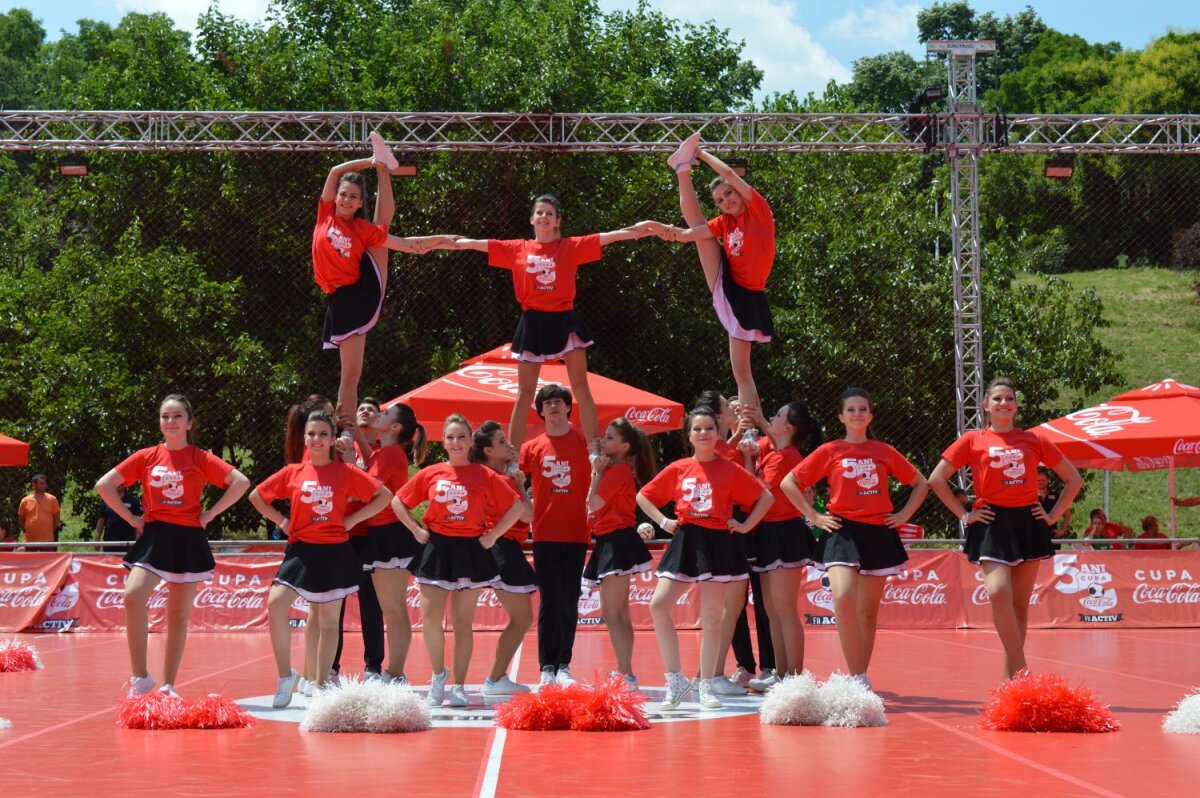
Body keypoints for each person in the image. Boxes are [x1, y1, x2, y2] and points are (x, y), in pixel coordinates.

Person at [450, 197, 660, 449]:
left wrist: (643, 228)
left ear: (557, 220)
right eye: (539, 213)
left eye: (549, 213)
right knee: (524, 394)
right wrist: (435, 241)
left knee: (581, 386)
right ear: (531, 219)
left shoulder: (570, 246)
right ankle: (513, 457)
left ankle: (594, 449)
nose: (544, 217)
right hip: (533, 322)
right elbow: (470, 244)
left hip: (565, 319)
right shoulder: (517, 248)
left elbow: (611, 236)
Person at [95, 394, 250, 698]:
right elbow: (104, 484)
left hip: (189, 536)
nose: (171, 421)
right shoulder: (146, 456)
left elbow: (241, 482)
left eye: (177, 416)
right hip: (155, 535)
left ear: (189, 422)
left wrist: (210, 514)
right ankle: (140, 677)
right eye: (165, 416)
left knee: (177, 615)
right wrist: (132, 518)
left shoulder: (200, 458)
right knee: (133, 595)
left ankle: (168, 685)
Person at [929, 377, 1082, 680]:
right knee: (998, 592)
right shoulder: (973, 440)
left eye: (1009, 398)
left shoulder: (1034, 440)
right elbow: (936, 478)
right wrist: (964, 514)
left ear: (1016, 406)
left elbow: (1073, 479)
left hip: (1028, 522)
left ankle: (1010, 682)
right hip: (990, 522)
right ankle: (1023, 671)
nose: (1004, 403)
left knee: (1020, 607)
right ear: (985, 405)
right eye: (997, 398)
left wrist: (1052, 515)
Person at [781, 388, 928, 690]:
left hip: (878, 531)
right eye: (851, 410)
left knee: (868, 611)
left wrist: (902, 515)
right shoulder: (830, 450)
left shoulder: (883, 450)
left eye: (863, 409)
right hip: (841, 530)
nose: (857, 414)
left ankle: (859, 676)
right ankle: (855, 676)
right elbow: (789, 483)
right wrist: (813, 515)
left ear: (870, 415)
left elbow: (920, 484)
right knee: (843, 596)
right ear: (841, 416)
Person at [249, 409, 393, 708]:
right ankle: (285, 676)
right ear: (305, 438)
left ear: (332, 440)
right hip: (301, 550)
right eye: (312, 434)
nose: (316, 439)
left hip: (335, 550)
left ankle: (323, 683)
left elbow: (384, 496)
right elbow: (257, 496)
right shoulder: (293, 472)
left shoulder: (346, 473)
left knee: (329, 622)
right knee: (275, 604)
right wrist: (282, 521)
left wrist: (353, 521)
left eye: (323, 434)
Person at [637, 407, 774, 711]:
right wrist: (662, 521)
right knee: (658, 605)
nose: (703, 433)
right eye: (697, 429)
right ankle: (675, 679)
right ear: (689, 435)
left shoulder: (728, 469)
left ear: (717, 432)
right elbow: (643, 496)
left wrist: (745, 526)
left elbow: (765, 497)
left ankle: (707, 684)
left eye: (709, 428)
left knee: (713, 617)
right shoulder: (679, 467)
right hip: (686, 539)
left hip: (718, 542)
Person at [312, 144, 456, 421]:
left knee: (350, 375)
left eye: (353, 197)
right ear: (335, 197)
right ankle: (383, 165)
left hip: (357, 293)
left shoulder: (360, 228)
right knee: (350, 374)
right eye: (343, 194)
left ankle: (346, 430)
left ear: (360, 202)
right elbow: (334, 171)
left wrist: (440, 241)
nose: (346, 199)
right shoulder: (325, 214)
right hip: (338, 299)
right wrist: (371, 160)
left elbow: (402, 243)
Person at [393, 414, 526, 708]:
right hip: (437, 548)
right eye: (450, 437)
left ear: (470, 441)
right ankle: (438, 677)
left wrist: (493, 537)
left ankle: (460, 685)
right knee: (430, 621)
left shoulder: (485, 475)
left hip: (471, 550)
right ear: (444, 440)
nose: (456, 442)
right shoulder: (431, 473)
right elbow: (397, 502)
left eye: (461, 436)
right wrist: (416, 530)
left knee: (462, 623)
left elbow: (517, 507)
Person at [660, 135, 776, 417]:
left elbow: (726, 173)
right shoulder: (725, 222)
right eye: (719, 200)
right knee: (742, 373)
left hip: (749, 296)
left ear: (739, 191)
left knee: (742, 373)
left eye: (729, 194)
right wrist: (656, 229)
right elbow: (688, 234)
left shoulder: (757, 210)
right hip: (732, 286)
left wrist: (700, 153)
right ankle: (681, 170)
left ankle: (750, 426)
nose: (725, 201)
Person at [738, 401, 823, 690]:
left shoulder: (786, 456)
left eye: (776, 416)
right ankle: (780, 672)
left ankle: (795, 678)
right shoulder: (773, 453)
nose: (771, 419)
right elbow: (754, 488)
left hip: (783, 532)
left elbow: (755, 493)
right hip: (766, 532)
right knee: (771, 607)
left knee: (784, 608)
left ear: (788, 427)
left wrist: (751, 458)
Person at [513, 384, 593, 688]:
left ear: (569, 407)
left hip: (576, 531)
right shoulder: (532, 447)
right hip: (544, 532)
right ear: (541, 411)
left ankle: (564, 665)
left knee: (568, 599)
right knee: (549, 601)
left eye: (559, 402)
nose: (555, 407)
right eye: (548, 403)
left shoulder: (585, 442)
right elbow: (511, 478)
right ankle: (546, 666)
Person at [695, 389, 773, 692]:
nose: (736, 407)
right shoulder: (718, 450)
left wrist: (749, 432)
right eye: (731, 405)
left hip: (755, 528)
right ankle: (732, 668)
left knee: (758, 601)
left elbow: (756, 484)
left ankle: (768, 666)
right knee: (731, 602)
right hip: (729, 528)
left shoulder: (750, 443)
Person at [585, 417, 658, 690]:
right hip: (613, 540)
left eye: (610, 437)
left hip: (616, 540)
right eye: (605, 436)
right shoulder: (618, 469)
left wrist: (596, 474)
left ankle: (625, 673)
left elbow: (593, 502)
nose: (604, 440)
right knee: (619, 613)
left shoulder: (616, 471)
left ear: (625, 446)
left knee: (613, 613)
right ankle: (625, 671)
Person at [473, 421, 537, 696]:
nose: (509, 445)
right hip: (501, 547)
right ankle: (494, 679)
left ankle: (496, 678)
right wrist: (521, 486)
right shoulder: (495, 478)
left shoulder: (498, 476)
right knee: (522, 618)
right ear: (488, 450)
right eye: (501, 442)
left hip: (505, 547)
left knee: (521, 618)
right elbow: (527, 514)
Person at [94, 483, 142, 554]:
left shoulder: (133, 501)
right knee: (109, 564)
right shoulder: (106, 500)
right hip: (109, 542)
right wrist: (97, 539)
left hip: (128, 542)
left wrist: (138, 542)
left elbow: (138, 523)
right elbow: (100, 522)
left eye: (121, 482)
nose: (119, 484)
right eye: (117, 482)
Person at [18, 474, 60, 545]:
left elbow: (57, 520)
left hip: (48, 539)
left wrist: (48, 531)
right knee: (31, 556)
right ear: (34, 485)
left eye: (45, 483)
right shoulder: (25, 501)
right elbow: (21, 520)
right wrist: (30, 528)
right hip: (30, 539)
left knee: (47, 556)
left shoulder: (52, 499)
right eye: (41, 483)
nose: (44, 485)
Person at [1037, 469, 1072, 549]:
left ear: (1048, 480)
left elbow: (1067, 513)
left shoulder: (1055, 496)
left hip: (1052, 534)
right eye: (1038, 480)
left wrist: (1062, 530)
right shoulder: (1029, 497)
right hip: (1034, 534)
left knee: (1053, 560)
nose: (1040, 482)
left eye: (1043, 480)